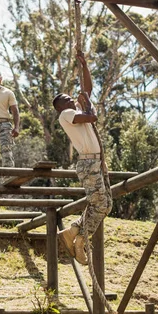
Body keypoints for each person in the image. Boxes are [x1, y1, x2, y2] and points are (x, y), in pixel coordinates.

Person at [52, 52, 112, 265]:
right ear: (60, 106)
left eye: (70, 98)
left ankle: (74, 231)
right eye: (67, 99)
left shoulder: (75, 110)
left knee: (106, 205)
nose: (71, 99)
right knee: (100, 204)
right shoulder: (66, 115)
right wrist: (86, 103)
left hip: (96, 161)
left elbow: (87, 88)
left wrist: (84, 65)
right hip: (88, 163)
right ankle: (80, 240)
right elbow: (92, 116)